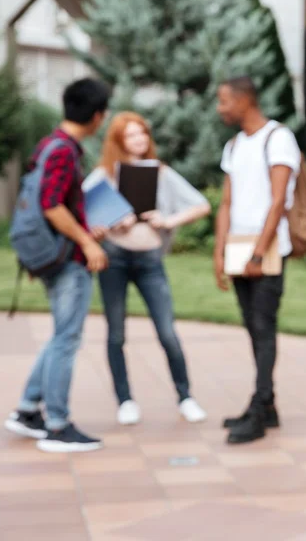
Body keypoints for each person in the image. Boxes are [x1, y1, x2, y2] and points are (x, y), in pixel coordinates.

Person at [82, 112, 210, 426]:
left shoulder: (160, 173)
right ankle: (125, 400)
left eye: (143, 134)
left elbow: (201, 205)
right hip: (114, 259)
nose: (140, 140)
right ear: (118, 141)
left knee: (167, 332)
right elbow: (81, 215)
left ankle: (186, 397)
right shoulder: (103, 177)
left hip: (150, 259)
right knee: (116, 333)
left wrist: (167, 220)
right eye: (131, 135)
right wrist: (106, 225)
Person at [4, 78, 111, 453]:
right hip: (67, 261)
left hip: (54, 253)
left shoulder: (50, 145)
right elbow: (51, 204)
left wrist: (84, 227)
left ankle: (28, 410)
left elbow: (56, 202)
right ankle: (57, 426)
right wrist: (85, 241)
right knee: (67, 339)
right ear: (97, 115)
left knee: (60, 335)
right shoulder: (64, 151)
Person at [213, 75, 301, 444]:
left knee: (263, 328)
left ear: (244, 101)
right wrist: (219, 252)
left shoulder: (277, 138)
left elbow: (278, 201)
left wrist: (259, 252)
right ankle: (267, 406)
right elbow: (227, 202)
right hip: (238, 247)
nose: (220, 109)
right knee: (252, 326)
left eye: (224, 102)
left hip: (266, 251)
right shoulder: (233, 145)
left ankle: (260, 408)